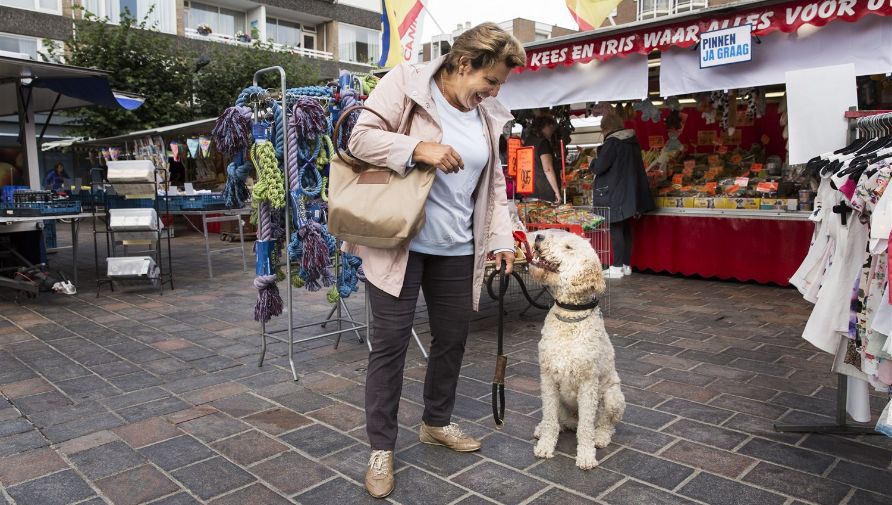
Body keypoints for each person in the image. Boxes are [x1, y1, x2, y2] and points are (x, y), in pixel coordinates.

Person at [345, 22, 525, 499]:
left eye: (499, 86)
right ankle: (381, 448)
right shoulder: (406, 83)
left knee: (452, 339)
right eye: (491, 81)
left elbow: (495, 184)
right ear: (464, 64)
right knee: (390, 346)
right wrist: (417, 149)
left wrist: (501, 239)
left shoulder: (486, 113)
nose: (493, 92)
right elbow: (358, 140)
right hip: (398, 243)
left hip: (457, 248)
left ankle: (435, 422)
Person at [589, 113, 654, 279]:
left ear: (606, 128)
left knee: (616, 227)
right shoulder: (632, 141)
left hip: (615, 192)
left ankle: (617, 267)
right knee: (626, 228)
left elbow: (600, 167)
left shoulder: (612, 143)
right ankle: (625, 265)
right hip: (630, 191)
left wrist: (592, 162)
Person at [524, 115, 562, 204]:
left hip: (529, 189)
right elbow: (548, 169)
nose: (552, 130)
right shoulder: (543, 142)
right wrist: (556, 192)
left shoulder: (528, 141)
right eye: (551, 126)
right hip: (544, 191)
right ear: (543, 126)